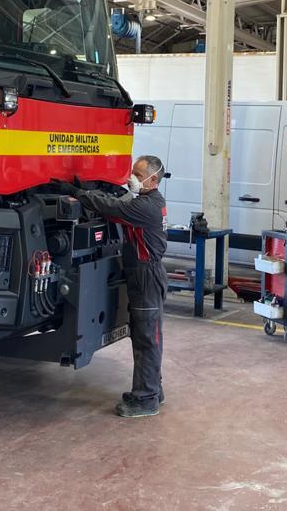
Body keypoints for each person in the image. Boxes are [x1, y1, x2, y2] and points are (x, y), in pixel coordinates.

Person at [55, 155, 168, 418]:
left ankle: (146, 399)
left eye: (138, 175)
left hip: (146, 276)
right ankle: (152, 390)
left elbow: (111, 208)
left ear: (153, 179)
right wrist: (89, 190)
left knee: (146, 337)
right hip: (144, 274)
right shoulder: (148, 201)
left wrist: (77, 193)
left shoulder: (145, 207)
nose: (132, 178)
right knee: (146, 335)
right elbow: (116, 202)